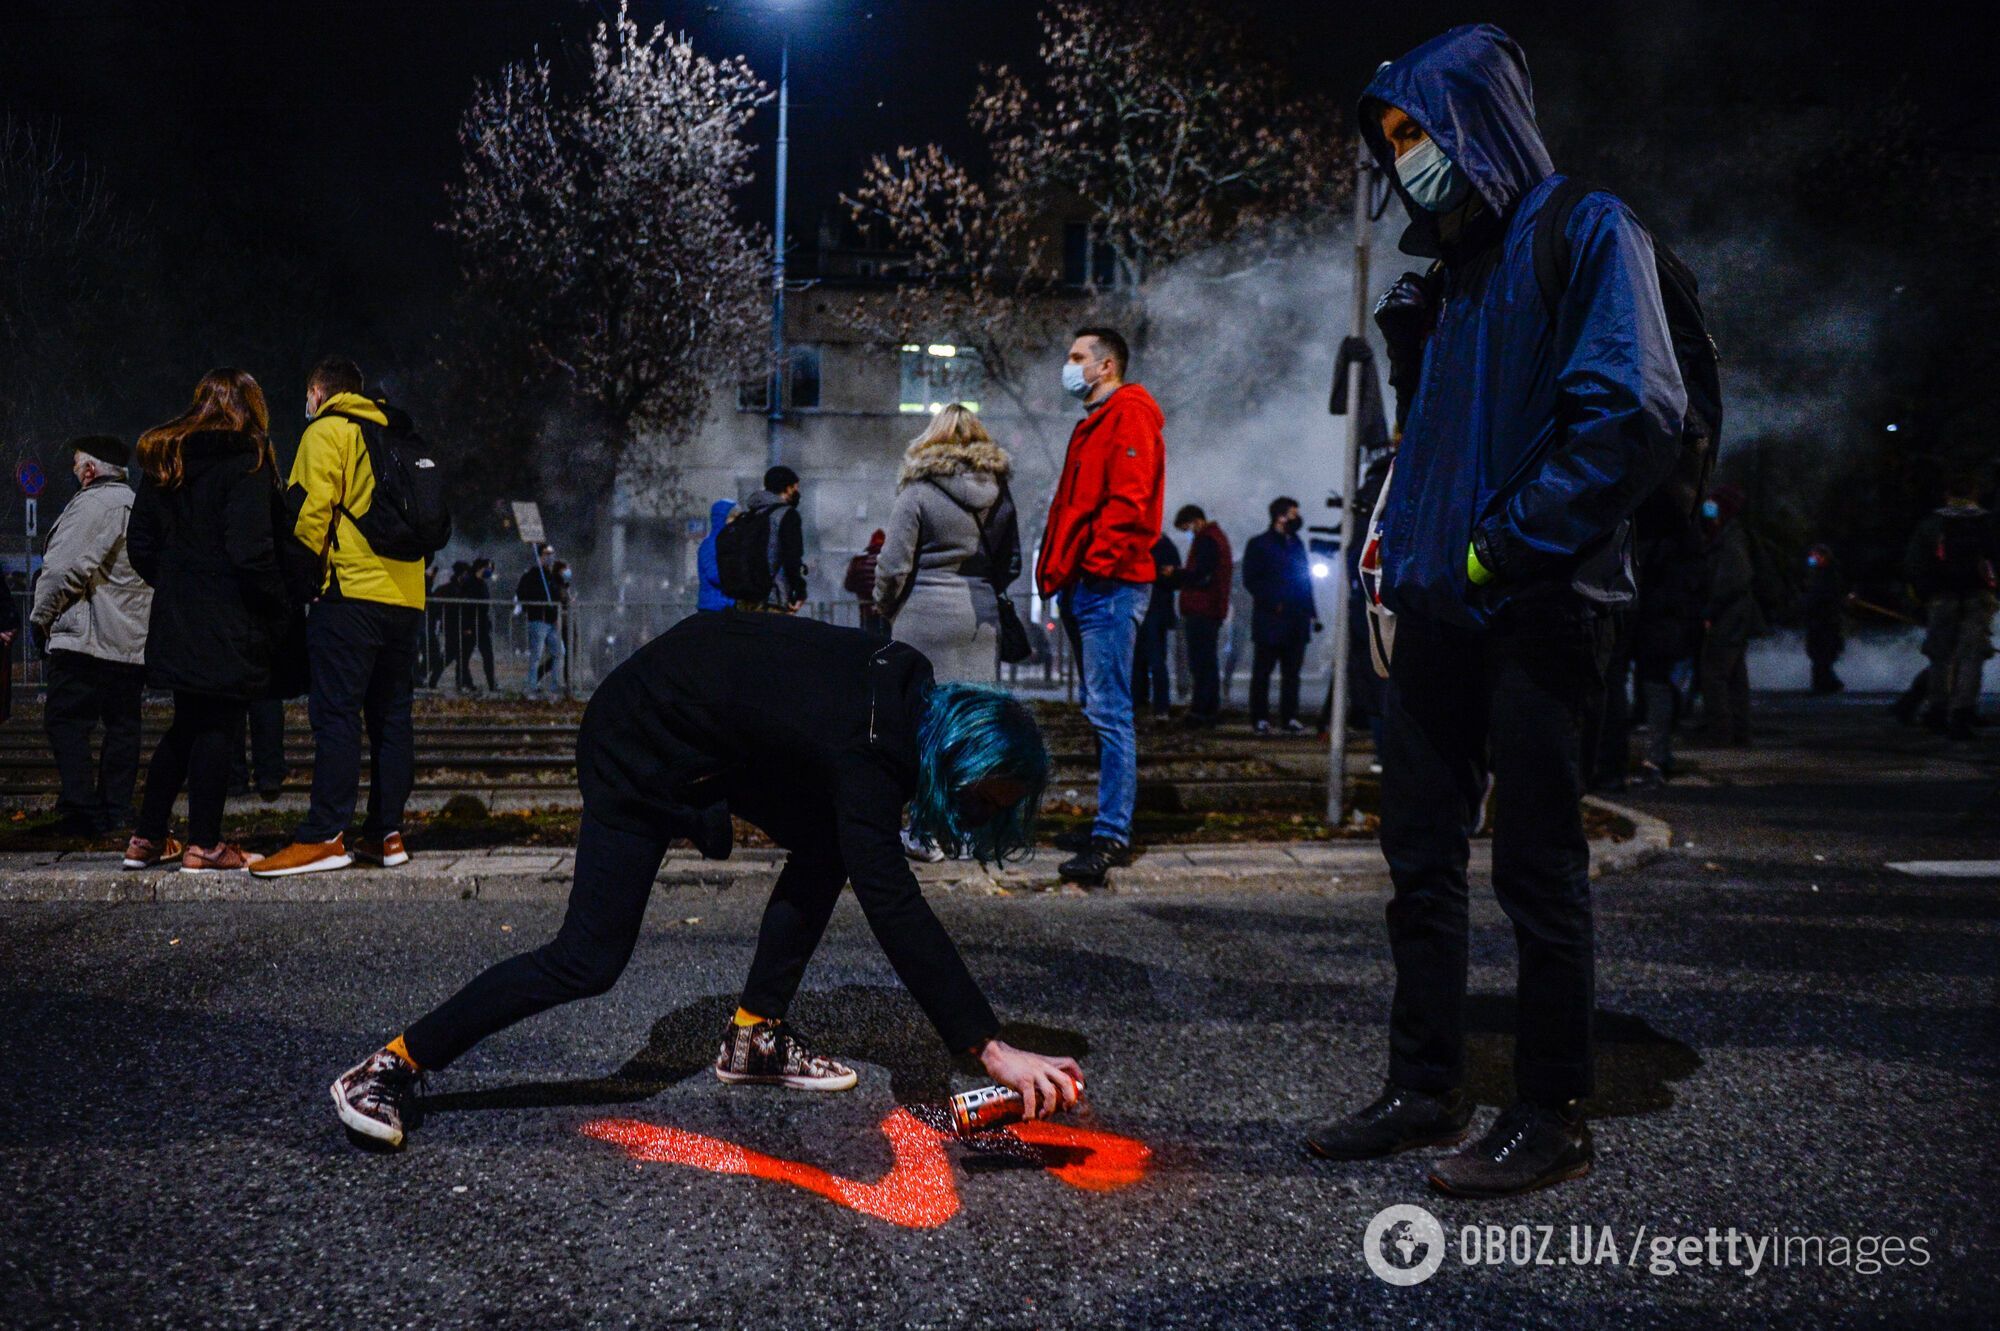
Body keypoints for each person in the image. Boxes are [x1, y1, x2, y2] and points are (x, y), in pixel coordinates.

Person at [1306, 27, 1687, 1199]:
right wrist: (1402, 540)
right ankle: (1423, 1086)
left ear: (1477, 120)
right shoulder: (1450, 273)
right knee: (1417, 859)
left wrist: (1487, 553)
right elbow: (1430, 443)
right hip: (1435, 608)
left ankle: (1546, 1108)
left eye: (1418, 130)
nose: (1406, 157)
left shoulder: (1584, 230)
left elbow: (1627, 415)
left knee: (1534, 865)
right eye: (1392, 140)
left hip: (1533, 605)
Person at [329, 611, 1083, 1149]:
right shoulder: (872, 750)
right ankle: (391, 1063)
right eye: (983, 803)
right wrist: (988, 1046)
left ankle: (755, 1036)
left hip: (705, 730)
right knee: (588, 958)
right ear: (959, 760)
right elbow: (893, 902)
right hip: (637, 737)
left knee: (831, 843)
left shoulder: (906, 692)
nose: (981, 819)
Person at [253, 357, 423, 878]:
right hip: (406, 598)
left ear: (317, 392)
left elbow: (308, 515)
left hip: (349, 596)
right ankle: (385, 834)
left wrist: (296, 586)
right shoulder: (396, 434)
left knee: (337, 716)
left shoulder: (330, 430)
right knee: (392, 719)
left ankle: (325, 835)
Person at [121, 369, 292, 872]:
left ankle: (147, 837)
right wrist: (276, 601)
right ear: (252, 407)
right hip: (229, 617)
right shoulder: (249, 459)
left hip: (177, 616)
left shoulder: (165, 460)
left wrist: (178, 584)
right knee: (219, 724)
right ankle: (205, 843)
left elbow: (141, 547)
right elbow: (250, 551)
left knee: (185, 724)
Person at [1035, 327, 1166, 886]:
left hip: (1109, 585)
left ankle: (1111, 834)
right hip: (1089, 584)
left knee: (1110, 712)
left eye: (1076, 357)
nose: (1069, 366)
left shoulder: (1129, 414)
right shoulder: (1094, 423)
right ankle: (1103, 826)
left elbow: (1129, 501)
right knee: (1101, 709)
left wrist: (1095, 565)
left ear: (1106, 365)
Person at [29, 435, 151, 838]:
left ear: (90, 470)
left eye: (77, 466)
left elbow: (64, 569)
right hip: (129, 642)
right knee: (122, 727)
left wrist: (39, 619)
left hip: (86, 640)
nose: (76, 474)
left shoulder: (94, 505)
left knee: (65, 721)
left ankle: (82, 809)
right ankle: (116, 810)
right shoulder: (136, 505)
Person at [874, 405, 1020, 682]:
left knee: (925, 713)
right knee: (974, 713)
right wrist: (987, 590)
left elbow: (893, 568)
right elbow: (1011, 562)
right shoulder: (1001, 493)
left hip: (921, 618)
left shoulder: (916, 492)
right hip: (981, 619)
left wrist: (886, 607)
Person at [1904, 475, 1997, 739]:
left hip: (1941, 598)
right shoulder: (1985, 521)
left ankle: (1936, 709)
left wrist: (1924, 596)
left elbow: (1914, 564)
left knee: (1940, 656)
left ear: (1947, 494)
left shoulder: (1932, 523)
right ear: (1974, 493)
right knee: (1971, 657)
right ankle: (1963, 711)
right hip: (1977, 597)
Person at [1630, 517, 1706, 785]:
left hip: (1658, 621)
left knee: (1655, 686)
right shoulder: (1687, 538)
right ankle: (1659, 754)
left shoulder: (1660, 542)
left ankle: (1655, 757)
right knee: (1661, 685)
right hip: (1671, 621)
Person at [1241, 496, 1318, 735]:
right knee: (1263, 672)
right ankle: (1260, 718)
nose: (1297, 519)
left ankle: (1289, 717)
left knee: (1292, 674)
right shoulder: (1259, 544)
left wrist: (1311, 612)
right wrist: (1274, 603)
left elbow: (1305, 579)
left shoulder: (1296, 543)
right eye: (1293, 514)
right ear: (1280, 516)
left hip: (1296, 620)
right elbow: (1251, 580)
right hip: (1271, 620)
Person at [1699, 484, 1762, 747]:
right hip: (1735, 617)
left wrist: (1710, 610)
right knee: (1735, 678)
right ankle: (1739, 732)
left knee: (1714, 675)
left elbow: (1733, 580)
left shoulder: (1731, 538)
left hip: (1729, 618)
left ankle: (1721, 734)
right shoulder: (1729, 536)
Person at [1172, 506, 1232, 727]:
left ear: (1195, 521)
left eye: (1186, 527)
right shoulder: (1217, 538)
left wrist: (1177, 574)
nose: (1188, 532)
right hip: (1211, 608)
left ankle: (1201, 710)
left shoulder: (1207, 540)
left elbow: (1202, 574)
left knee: (1201, 662)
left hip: (1202, 608)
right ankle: (1208, 708)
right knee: (1207, 661)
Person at [739, 466, 808, 612]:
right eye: (795, 488)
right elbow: (792, 557)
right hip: (773, 599)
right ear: (788, 489)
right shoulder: (787, 515)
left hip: (745, 599)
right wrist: (799, 591)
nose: (797, 493)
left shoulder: (751, 514)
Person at [1132, 535, 1181, 721]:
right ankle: (1159, 707)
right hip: (1156, 609)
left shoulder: (1139, 542)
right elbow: (1173, 578)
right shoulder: (1164, 544)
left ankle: (1143, 703)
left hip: (1146, 610)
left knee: (1143, 660)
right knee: (1154, 660)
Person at [515, 543, 565, 699]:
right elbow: (522, 593)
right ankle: (531, 686)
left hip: (551, 621)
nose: (550, 556)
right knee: (536, 655)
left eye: (552, 553)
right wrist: (538, 603)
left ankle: (555, 685)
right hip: (538, 620)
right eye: (546, 553)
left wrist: (556, 613)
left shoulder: (550, 576)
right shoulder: (531, 575)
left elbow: (557, 595)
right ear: (539, 556)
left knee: (559, 652)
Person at [1801, 543, 1846, 695]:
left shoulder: (1830, 575)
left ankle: (1823, 685)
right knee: (1817, 655)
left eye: (1816, 556)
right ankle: (1828, 684)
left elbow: (1828, 598)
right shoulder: (1816, 575)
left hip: (1826, 621)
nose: (1812, 560)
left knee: (1822, 656)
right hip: (1817, 621)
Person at [846, 529, 888, 636]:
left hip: (866, 610)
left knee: (868, 640)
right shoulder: (889, 561)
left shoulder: (859, 561)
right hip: (887, 611)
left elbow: (848, 585)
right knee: (887, 642)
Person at [696, 499, 736, 612]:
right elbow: (714, 574)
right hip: (713, 606)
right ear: (722, 518)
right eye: (732, 517)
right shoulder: (710, 544)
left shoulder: (730, 542)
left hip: (728, 605)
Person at [469, 557, 497, 691]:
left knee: (488, 656)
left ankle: (492, 684)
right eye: (488, 568)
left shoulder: (483, 584)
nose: (490, 571)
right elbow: (467, 606)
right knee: (462, 655)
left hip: (482, 626)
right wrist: (467, 626)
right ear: (480, 568)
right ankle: (463, 682)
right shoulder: (470, 583)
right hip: (471, 625)